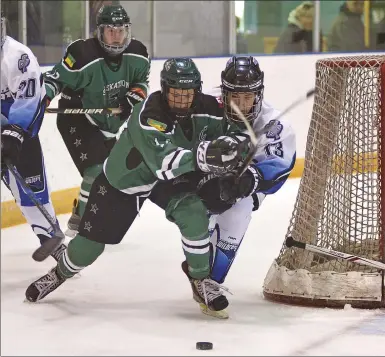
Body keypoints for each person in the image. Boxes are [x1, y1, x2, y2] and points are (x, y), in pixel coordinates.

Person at [25, 58, 251, 319]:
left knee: (193, 212)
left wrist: (233, 146)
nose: (180, 100)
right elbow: (163, 165)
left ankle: (201, 281)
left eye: (186, 94)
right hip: (128, 179)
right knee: (89, 248)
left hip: (174, 178)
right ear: (164, 90)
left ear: (197, 91)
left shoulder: (210, 108)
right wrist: (207, 154)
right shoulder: (149, 113)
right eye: (174, 93)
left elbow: (236, 132)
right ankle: (59, 273)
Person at [197, 56, 296, 317]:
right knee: (200, 212)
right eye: (235, 97)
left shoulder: (274, 124)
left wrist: (249, 179)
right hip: (204, 176)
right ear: (224, 92)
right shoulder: (205, 107)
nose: (242, 105)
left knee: (238, 211)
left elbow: (280, 164)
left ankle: (212, 282)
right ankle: (198, 269)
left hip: (249, 186)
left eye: (248, 97)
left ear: (259, 93)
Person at [42, 4, 150, 238]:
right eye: (111, 31)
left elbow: (142, 84)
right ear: (100, 32)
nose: (116, 37)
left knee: (113, 175)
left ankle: (84, 215)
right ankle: (80, 221)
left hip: (110, 124)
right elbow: (54, 79)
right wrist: (45, 96)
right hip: (78, 117)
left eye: (120, 31)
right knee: (96, 171)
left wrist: (133, 98)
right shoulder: (83, 54)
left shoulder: (138, 54)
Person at [0, 12, 65, 261]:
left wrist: (13, 133)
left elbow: (30, 100)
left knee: (31, 189)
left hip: (18, 131)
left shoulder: (18, 56)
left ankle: (51, 239)